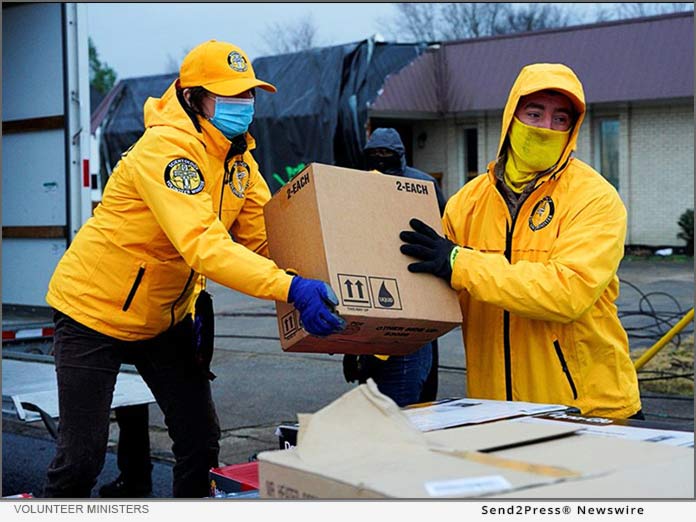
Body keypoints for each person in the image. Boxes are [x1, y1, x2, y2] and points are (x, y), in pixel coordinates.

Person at [42, 39, 345, 498]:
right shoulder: (167, 152)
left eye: (249, 94)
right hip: (93, 312)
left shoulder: (237, 159)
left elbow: (264, 238)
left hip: (164, 317)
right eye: (229, 94)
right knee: (82, 459)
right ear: (192, 98)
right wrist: (290, 288)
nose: (243, 104)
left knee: (201, 441)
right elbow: (205, 247)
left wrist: (329, 272)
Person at [399, 63, 642, 419]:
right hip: (496, 410)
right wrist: (373, 339)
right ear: (511, 117)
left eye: (561, 119)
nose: (547, 127)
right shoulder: (466, 204)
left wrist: (459, 262)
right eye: (534, 113)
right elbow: (430, 296)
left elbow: (566, 293)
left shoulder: (595, 198)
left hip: (588, 411)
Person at [342, 127, 446, 407]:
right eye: (374, 154)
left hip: (417, 296)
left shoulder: (421, 185)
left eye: (385, 153)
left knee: (411, 393)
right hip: (375, 295)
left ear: (399, 155)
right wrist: (351, 348)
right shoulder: (358, 185)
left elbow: (445, 231)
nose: (380, 158)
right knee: (378, 394)